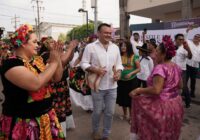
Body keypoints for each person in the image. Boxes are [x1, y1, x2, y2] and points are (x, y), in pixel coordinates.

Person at [0, 24, 65, 139]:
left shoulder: (37, 61)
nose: (37, 45)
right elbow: (36, 84)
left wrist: (57, 58)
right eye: (34, 42)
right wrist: (54, 62)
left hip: (46, 117)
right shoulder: (11, 64)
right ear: (23, 43)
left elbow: (57, 78)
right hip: (24, 123)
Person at [129, 35, 184, 140]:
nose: (155, 52)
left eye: (157, 51)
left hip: (161, 106)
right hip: (175, 104)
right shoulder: (176, 66)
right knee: (170, 131)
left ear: (163, 54)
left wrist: (138, 90)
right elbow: (180, 85)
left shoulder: (160, 68)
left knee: (157, 133)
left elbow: (156, 90)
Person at [81, 23, 123, 140]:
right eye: (105, 32)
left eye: (110, 33)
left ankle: (106, 134)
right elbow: (83, 63)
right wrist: (95, 69)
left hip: (112, 86)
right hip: (97, 86)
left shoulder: (115, 47)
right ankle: (95, 131)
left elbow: (119, 64)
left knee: (110, 112)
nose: (108, 35)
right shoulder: (91, 47)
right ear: (98, 33)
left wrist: (118, 72)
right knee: (97, 112)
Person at [39, 37, 77, 137]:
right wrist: (70, 48)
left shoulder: (55, 53)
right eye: (51, 42)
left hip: (62, 84)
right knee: (57, 109)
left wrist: (72, 49)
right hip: (54, 86)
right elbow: (63, 61)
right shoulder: (46, 54)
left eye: (54, 41)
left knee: (63, 107)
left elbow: (68, 58)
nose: (54, 43)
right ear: (46, 44)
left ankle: (62, 128)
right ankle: (56, 131)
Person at [116, 40, 140, 122]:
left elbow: (139, 69)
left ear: (128, 47)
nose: (123, 47)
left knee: (130, 100)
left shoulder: (134, 56)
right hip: (121, 81)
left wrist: (131, 74)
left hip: (132, 81)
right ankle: (125, 114)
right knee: (123, 99)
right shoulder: (119, 56)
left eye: (125, 46)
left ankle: (131, 117)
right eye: (122, 46)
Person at [172, 33, 192, 108]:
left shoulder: (184, 48)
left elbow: (190, 57)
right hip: (172, 70)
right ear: (176, 40)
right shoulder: (172, 47)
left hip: (181, 71)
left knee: (183, 86)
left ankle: (188, 102)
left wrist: (188, 49)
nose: (181, 40)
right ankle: (174, 101)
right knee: (173, 86)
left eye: (182, 39)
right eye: (179, 39)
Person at [185, 26, 200, 98]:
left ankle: (192, 92)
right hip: (187, 64)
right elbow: (184, 39)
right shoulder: (190, 43)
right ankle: (184, 92)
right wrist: (187, 31)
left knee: (193, 80)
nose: (196, 38)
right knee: (185, 79)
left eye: (198, 37)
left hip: (195, 66)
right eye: (195, 36)